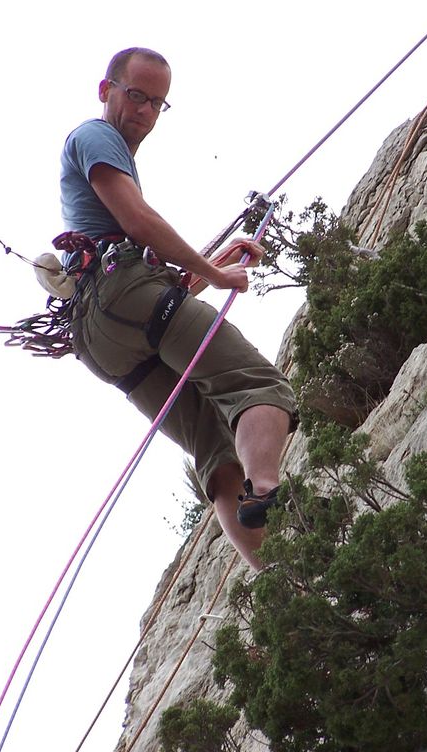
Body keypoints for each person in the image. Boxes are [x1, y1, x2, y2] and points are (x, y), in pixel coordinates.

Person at [60, 47, 297, 570]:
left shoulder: (95, 163)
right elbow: (139, 222)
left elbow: (152, 305)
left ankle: (277, 577)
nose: (144, 111)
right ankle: (267, 488)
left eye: (157, 103)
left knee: (214, 443)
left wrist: (210, 265)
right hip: (125, 292)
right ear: (107, 90)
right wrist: (217, 274)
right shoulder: (96, 137)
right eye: (136, 95)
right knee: (257, 385)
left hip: (101, 337)